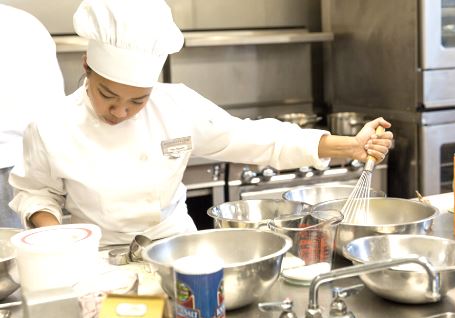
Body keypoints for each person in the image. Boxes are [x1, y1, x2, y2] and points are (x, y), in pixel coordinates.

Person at [9, 0, 393, 246]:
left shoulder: (175, 104)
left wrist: (350, 146)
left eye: (137, 100)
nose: (121, 111)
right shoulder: (50, 125)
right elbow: (36, 193)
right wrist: (57, 238)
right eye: (107, 95)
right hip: (97, 257)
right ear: (86, 69)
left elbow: (256, 138)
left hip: (175, 248)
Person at [0, 5, 65, 228]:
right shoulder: (28, 25)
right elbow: (55, 113)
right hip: (24, 166)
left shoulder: (26, 27)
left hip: (18, 172)